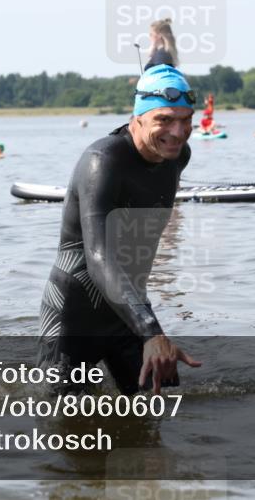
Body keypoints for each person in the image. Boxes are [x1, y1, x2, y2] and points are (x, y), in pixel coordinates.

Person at [38, 64, 201, 395]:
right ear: (137, 118)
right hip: (76, 316)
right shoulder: (103, 161)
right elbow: (99, 256)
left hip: (126, 309)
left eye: (186, 119)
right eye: (164, 120)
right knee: (66, 422)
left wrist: (144, 325)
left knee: (157, 409)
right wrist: (151, 332)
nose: (178, 131)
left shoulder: (177, 156)